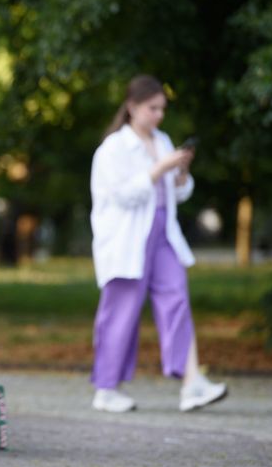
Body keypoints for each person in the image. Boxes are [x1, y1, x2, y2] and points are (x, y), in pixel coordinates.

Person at [89, 75, 228, 413]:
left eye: (162, 109)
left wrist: (180, 173)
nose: (159, 115)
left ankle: (192, 382)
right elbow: (122, 195)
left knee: (177, 299)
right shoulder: (113, 148)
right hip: (126, 239)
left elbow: (178, 193)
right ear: (132, 106)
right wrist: (158, 169)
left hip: (164, 233)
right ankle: (106, 389)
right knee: (121, 312)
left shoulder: (162, 140)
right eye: (152, 108)